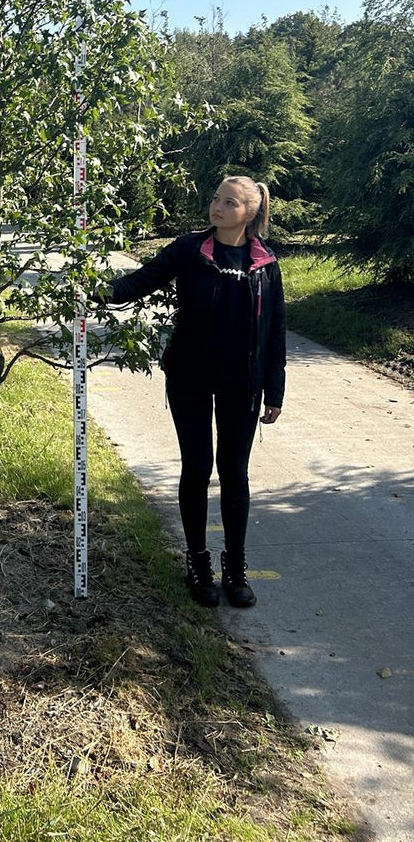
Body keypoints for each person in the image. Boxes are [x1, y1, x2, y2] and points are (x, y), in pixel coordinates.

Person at [103, 176, 286, 608]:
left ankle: (236, 569)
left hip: (243, 383)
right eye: (215, 198)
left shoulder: (265, 262)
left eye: (229, 202)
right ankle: (198, 563)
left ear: (250, 212)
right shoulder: (189, 249)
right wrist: (97, 289)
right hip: (189, 377)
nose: (217, 207)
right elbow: (139, 281)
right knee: (198, 466)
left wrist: (275, 389)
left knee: (235, 473)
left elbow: (276, 330)